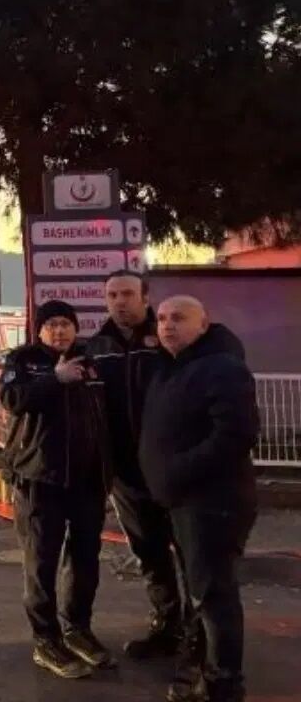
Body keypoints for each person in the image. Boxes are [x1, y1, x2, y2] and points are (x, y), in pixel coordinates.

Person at [140, 296, 258, 702]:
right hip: (182, 501)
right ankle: (200, 673)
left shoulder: (222, 367)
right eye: (161, 318)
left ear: (203, 325)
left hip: (212, 502)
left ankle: (224, 684)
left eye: (178, 318)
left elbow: (236, 435)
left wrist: (178, 471)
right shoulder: (171, 368)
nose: (167, 325)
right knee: (199, 592)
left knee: (214, 595)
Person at [0, 300, 114, 679]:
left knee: (84, 560)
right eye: (52, 325)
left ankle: (77, 629)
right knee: (41, 562)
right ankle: (46, 640)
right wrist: (54, 379)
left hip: (87, 481)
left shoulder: (91, 360)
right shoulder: (23, 360)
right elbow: (12, 400)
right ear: (39, 330)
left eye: (66, 324)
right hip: (39, 479)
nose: (60, 331)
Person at [85, 270, 183, 658]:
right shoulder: (95, 347)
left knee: (190, 551)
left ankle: (201, 633)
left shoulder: (167, 340)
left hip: (172, 468)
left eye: (127, 293)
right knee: (149, 551)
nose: (119, 301)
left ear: (145, 297)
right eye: (112, 295)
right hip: (124, 473)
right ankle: (168, 626)